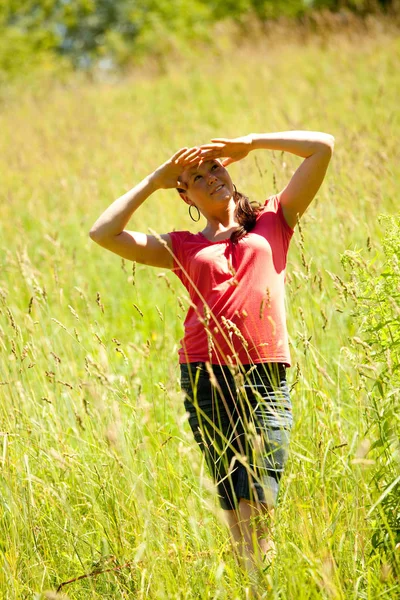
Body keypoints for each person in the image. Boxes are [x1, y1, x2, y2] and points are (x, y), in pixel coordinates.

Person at [89, 131, 334, 582]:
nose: (211, 178)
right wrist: (153, 180)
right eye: (196, 178)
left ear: (228, 168)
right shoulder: (183, 245)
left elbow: (323, 145)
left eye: (215, 168)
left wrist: (253, 142)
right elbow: (103, 232)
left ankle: (259, 587)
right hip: (205, 376)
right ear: (184, 194)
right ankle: (252, 587)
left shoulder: (274, 217)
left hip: (264, 375)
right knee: (234, 502)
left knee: (260, 498)